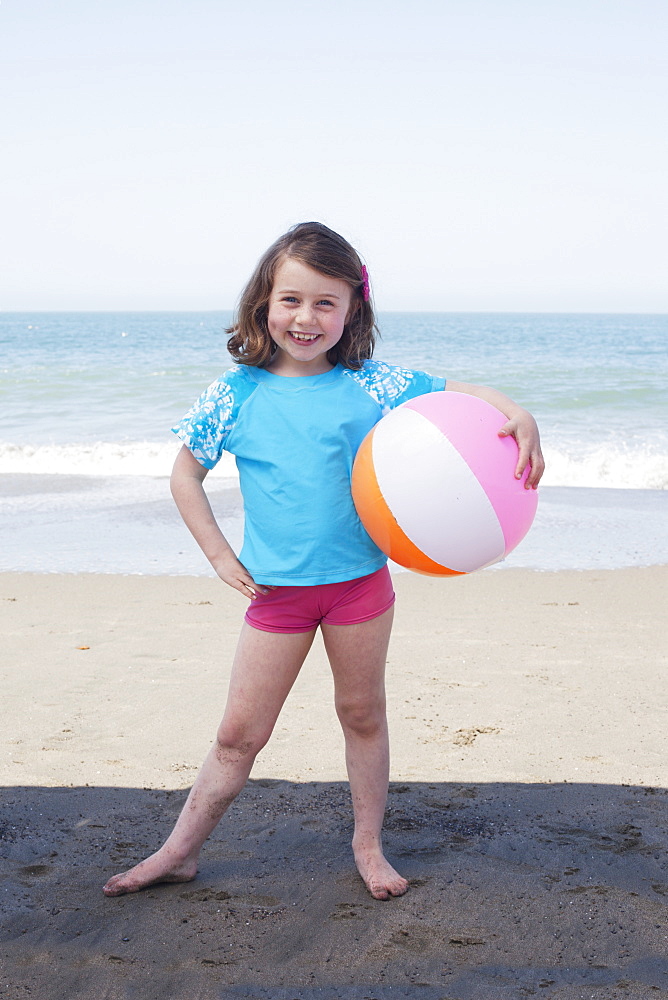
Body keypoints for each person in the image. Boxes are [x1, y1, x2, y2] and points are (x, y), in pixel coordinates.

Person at [103, 222, 544, 901]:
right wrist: (220, 555)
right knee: (237, 735)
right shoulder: (236, 392)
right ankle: (178, 851)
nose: (305, 318)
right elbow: (185, 475)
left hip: (359, 588)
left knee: (362, 712)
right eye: (291, 300)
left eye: (325, 303)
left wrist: (518, 413)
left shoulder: (372, 384)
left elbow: (460, 392)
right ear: (264, 304)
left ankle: (368, 845)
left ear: (352, 310)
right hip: (275, 595)